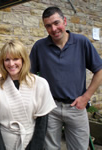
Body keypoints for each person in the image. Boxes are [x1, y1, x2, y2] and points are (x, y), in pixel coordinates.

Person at [30, 6, 102, 150]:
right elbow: (29, 76)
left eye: (56, 23)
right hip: (50, 108)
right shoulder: (40, 47)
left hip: (76, 106)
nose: (54, 29)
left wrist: (86, 97)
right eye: (48, 26)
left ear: (65, 21)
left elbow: (99, 70)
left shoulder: (82, 42)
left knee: (79, 147)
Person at [0, 40, 56, 150]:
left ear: (23, 59)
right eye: (7, 59)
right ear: (2, 62)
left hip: (31, 142)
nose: (11, 64)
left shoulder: (40, 84)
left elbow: (42, 125)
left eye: (15, 59)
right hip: (5, 144)